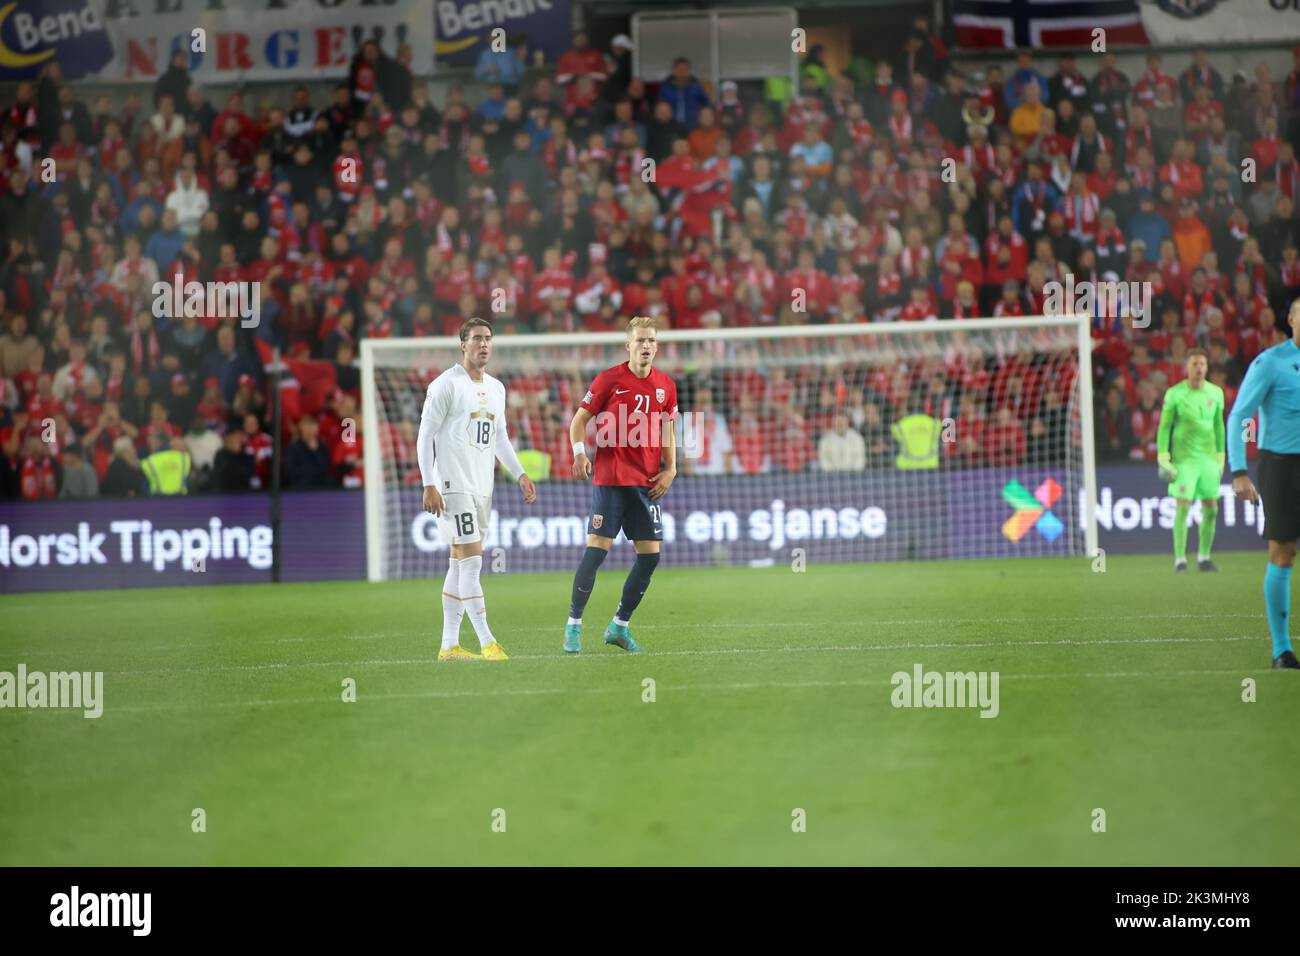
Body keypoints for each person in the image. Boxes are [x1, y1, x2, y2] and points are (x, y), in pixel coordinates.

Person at [417, 318, 536, 662]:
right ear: (463, 345)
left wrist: (520, 473)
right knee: (472, 563)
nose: (484, 344)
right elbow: (425, 437)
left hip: (483, 487)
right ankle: (487, 642)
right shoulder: (445, 385)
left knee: (458, 564)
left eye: (488, 339)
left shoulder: (497, 388)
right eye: (477, 339)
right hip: (453, 486)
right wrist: (429, 483)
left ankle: (449, 646)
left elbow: (499, 438)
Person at [565, 316, 678, 653]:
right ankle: (573, 626)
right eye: (640, 340)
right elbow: (579, 419)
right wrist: (579, 453)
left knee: (650, 558)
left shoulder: (666, 386)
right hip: (612, 480)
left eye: (651, 340)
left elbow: (668, 428)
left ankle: (619, 625)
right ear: (628, 345)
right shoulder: (609, 379)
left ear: (657, 346)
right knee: (596, 552)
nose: (646, 346)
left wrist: (671, 468)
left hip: (647, 484)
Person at [1228, 300, 1300, 669]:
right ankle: (1281, 650)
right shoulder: (1271, 362)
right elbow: (1240, 414)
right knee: (1284, 551)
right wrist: (1239, 470)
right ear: (1290, 320)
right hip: (1283, 466)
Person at [1156, 347, 1224, 573]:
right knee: (1183, 508)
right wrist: (1163, 457)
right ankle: (1180, 560)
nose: (1199, 368)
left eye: (1202, 364)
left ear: (1207, 367)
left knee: (1212, 509)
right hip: (1184, 462)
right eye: (1194, 364)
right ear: (1187, 367)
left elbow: (1218, 426)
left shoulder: (1216, 393)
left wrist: (1221, 456)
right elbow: (1164, 427)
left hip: (1208, 460)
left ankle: (1204, 557)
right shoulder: (1174, 394)